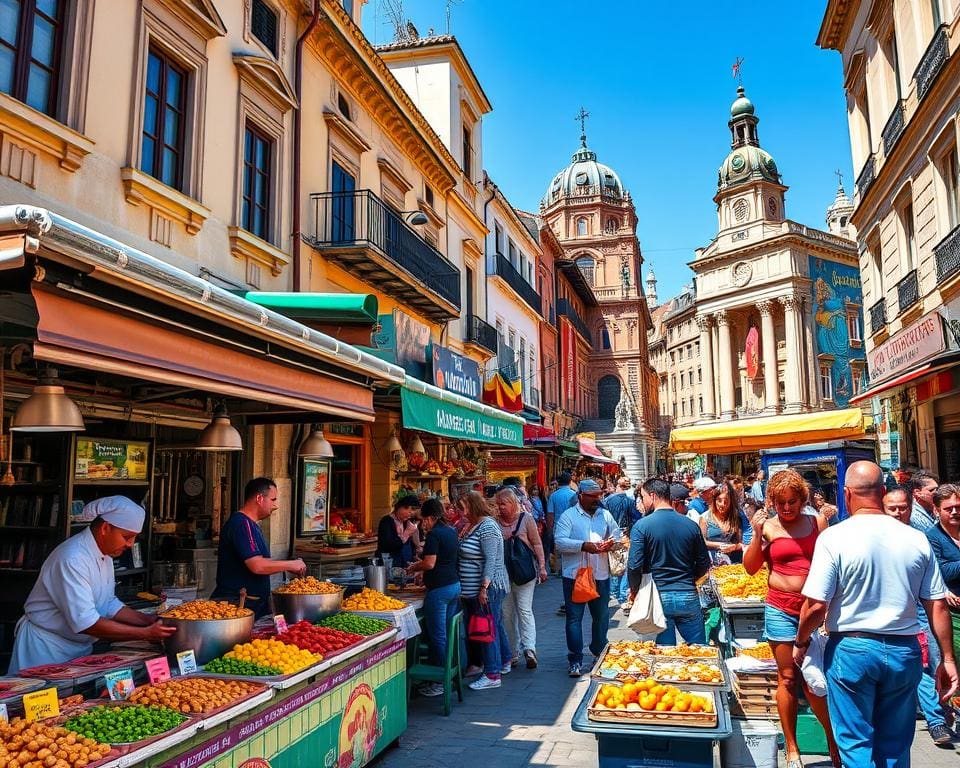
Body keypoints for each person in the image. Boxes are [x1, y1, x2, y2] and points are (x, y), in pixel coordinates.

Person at [794, 461, 958, 768]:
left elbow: (816, 605)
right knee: (895, 744)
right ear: (882, 493)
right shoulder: (915, 538)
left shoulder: (834, 538)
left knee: (856, 744)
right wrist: (947, 659)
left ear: (846, 494)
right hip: (903, 649)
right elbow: (936, 603)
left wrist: (801, 642)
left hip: (852, 649)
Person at [8, 497, 176, 674]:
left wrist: (147, 620)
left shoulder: (105, 556)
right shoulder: (72, 558)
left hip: (79, 649)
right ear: (105, 528)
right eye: (126, 537)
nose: (130, 544)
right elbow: (86, 623)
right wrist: (145, 633)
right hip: (45, 649)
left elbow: (108, 603)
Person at [742, 470, 839, 768]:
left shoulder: (816, 522)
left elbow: (831, 564)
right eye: (781, 502)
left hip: (814, 610)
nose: (787, 508)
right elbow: (750, 567)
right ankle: (793, 748)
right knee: (787, 678)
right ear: (771, 500)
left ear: (803, 499)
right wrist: (758, 535)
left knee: (815, 682)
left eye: (793, 501)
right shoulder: (768, 527)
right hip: (780, 609)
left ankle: (834, 745)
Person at [883, 486, 953, 746]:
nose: (898, 513)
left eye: (903, 508)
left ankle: (943, 712)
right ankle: (936, 721)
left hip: (922, 611)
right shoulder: (875, 540)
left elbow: (933, 581)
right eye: (892, 508)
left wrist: (942, 592)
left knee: (934, 662)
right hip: (895, 617)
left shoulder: (919, 538)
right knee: (922, 667)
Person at [628, 478, 710, 645]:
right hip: (687, 594)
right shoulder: (690, 525)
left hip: (657, 595)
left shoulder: (642, 526)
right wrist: (689, 579)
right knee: (699, 651)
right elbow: (703, 562)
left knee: (664, 656)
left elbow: (634, 565)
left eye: (643, 497)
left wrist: (635, 589)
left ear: (652, 495)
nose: (642, 502)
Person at [554, 479, 621, 677]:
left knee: (601, 617)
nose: (596, 500)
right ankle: (575, 659)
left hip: (600, 574)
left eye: (598, 495)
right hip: (576, 575)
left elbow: (617, 535)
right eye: (591, 496)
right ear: (581, 496)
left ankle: (598, 651)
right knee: (574, 618)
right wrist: (584, 545)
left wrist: (611, 543)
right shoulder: (569, 516)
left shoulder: (605, 514)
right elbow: (559, 542)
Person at [212, 478, 307, 617]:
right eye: (273, 499)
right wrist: (291, 564)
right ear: (259, 498)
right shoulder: (242, 524)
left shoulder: (251, 525)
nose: (275, 506)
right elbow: (257, 565)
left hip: (252, 605)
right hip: (237, 607)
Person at [406, 498, 460, 697]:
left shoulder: (435, 534)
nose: (422, 524)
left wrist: (414, 567)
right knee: (446, 634)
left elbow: (429, 563)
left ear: (430, 518)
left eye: (423, 520)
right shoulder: (451, 531)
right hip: (454, 585)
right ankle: (450, 675)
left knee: (438, 636)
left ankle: (440, 681)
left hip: (439, 591)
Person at [458, 491, 511, 691]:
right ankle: (504, 660)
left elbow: (491, 559)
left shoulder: (487, 526)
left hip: (490, 588)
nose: (461, 512)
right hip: (478, 588)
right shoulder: (472, 525)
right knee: (495, 624)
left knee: (487, 628)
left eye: (463, 508)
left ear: (473, 506)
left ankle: (492, 673)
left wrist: (484, 587)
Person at [494, 488, 547, 670]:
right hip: (503, 575)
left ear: (513, 503)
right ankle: (512, 651)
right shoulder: (494, 522)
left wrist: (542, 566)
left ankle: (529, 649)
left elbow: (537, 543)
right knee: (507, 613)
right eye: (498, 504)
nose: (500, 508)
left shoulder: (526, 519)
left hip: (525, 573)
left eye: (504, 504)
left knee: (524, 609)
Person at [927, 484, 960, 673]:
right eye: (949, 509)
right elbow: (943, 571)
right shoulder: (932, 537)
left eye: (958, 507)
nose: (955, 512)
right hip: (952, 613)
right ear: (936, 510)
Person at [699, 479, 745, 564]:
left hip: (733, 563)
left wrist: (734, 547)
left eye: (726, 501)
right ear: (714, 500)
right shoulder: (705, 518)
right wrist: (720, 545)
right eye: (719, 500)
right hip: (712, 562)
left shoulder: (736, 517)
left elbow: (741, 543)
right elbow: (702, 542)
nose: (722, 505)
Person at [376, 494, 421, 567]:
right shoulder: (386, 521)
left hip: (405, 565)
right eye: (409, 512)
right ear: (401, 507)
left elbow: (410, 545)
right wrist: (406, 533)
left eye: (411, 514)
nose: (409, 516)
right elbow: (387, 545)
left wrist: (414, 555)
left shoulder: (406, 522)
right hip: (390, 564)